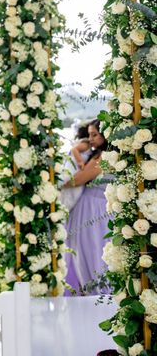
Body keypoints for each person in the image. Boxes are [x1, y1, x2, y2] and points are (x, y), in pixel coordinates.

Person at [63, 119, 112, 296]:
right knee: (86, 256)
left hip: (95, 213)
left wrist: (59, 181)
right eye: (89, 134)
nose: (90, 139)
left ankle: (98, 296)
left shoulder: (104, 158)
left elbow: (77, 179)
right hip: (90, 211)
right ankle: (89, 293)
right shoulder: (97, 155)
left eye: (94, 135)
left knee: (96, 256)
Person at [58, 123, 92, 211]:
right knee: (72, 192)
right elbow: (74, 150)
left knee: (71, 193)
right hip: (74, 169)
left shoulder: (85, 144)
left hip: (74, 170)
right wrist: (80, 161)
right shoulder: (86, 144)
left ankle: (65, 208)